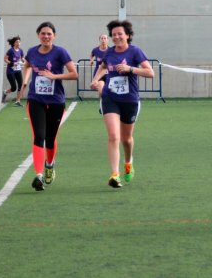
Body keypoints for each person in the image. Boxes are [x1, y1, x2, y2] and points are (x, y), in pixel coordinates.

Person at [90, 20, 154, 188]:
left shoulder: (135, 51)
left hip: (130, 101)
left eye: (120, 34)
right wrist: (95, 80)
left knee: (126, 139)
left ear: (128, 35)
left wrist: (130, 69)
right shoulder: (109, 53)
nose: (116, 37)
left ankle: (128, 162)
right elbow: (103, 66)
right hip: (110, 98)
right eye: (114, 34)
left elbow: (150, 72)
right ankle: (114, 174)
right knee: (113, 136)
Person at [20, 22, 78, 191]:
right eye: (43, 33)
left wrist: (54, 76)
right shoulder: (31, 51)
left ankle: (50, 165)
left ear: (54, 36)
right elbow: (27, 65)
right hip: (36, 100)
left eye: (49, 34)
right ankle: (38, 174)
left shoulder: (60, 52)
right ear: (38, 34)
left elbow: (74, 74)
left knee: (50, 139)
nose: (46, 36)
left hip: (56, 102)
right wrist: (25, 80)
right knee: (39, 135)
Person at [2, 35, 25, 106]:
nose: (18, 43)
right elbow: (5, 59)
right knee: (14, 88)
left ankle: (17, 101)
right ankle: (5, 92)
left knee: (21, 85)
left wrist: (23, 60)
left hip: (18, 70)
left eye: (19, 42)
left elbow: (22, 58)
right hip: (10, 71)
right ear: (14, 43)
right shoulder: (11, 50)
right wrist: (12, 63)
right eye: (17, 42)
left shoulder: (21, 50)